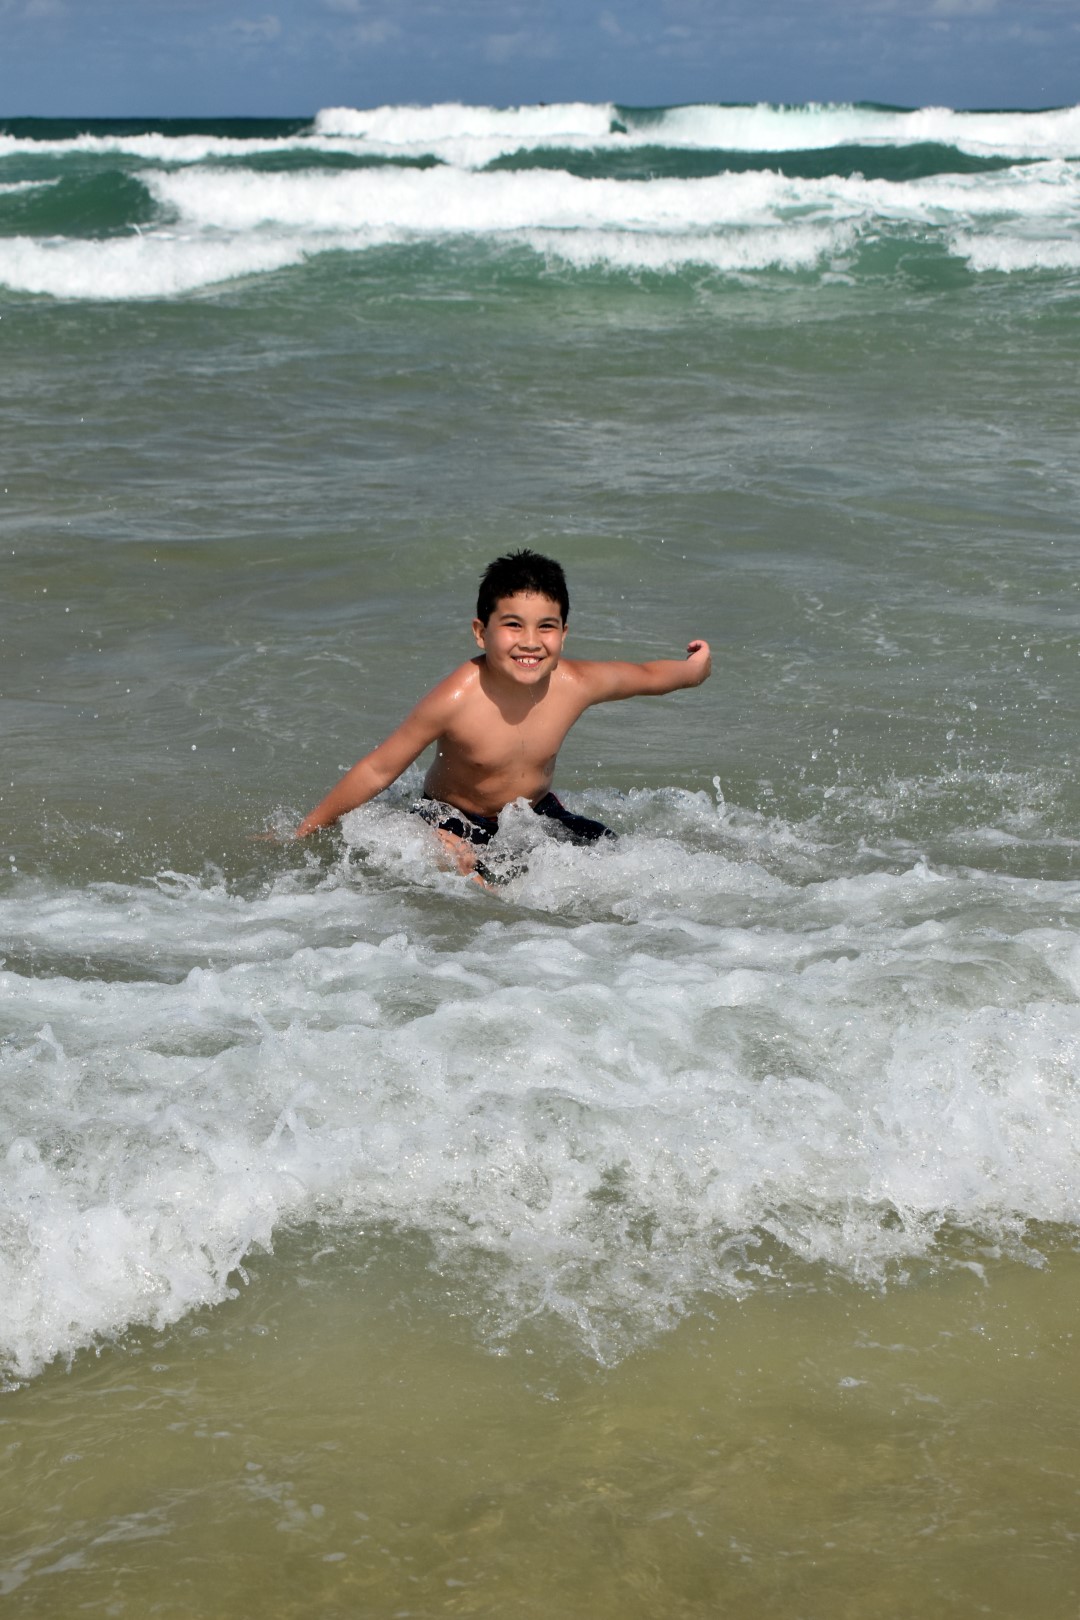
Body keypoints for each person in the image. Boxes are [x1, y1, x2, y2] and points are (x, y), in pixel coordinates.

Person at [295, 550, 711, 878]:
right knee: (458, 871)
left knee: (613, 855)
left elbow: (646, 675)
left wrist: (695, 670)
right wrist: (306, 830)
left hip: (532, 815)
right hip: (448, 816)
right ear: (481, 631)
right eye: (513, 625)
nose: (530, 642)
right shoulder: (457, 697)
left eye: (546, 627)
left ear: (564, 634)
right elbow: (378, 769)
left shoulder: (575, 683)